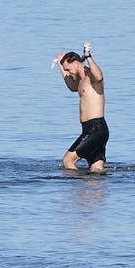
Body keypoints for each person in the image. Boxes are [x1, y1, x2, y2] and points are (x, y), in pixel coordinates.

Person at [56, 41, 108, 171]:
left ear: (77, 63)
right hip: (90, 129)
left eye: (68, 69)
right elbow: (71, 87)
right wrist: (60, 66)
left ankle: (76, 190)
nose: (68, 73)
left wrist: (88, 56)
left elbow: (100, 77)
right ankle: (92, 190)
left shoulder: (91, 76)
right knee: (96, 170)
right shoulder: (80, 81)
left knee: (68, 161)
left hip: (96, 129)